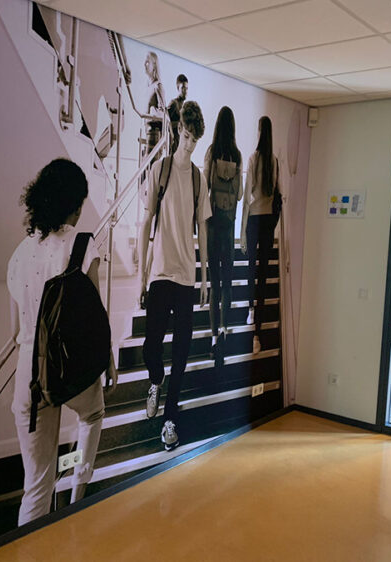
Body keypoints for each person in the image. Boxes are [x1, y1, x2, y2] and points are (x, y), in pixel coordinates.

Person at [7, 159, 117, 526]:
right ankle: (75, 499)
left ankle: (29, 545)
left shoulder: (18, 255)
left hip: (29, 374)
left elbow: (15, 331)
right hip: (71, 366)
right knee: (93, 414)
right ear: (73, 204)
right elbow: (97, 315)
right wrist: (107, 358)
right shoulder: (82, 245)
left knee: (36, 487)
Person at [138, 101, 210, 451]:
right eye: (187, 135)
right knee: (151, 346)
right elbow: (145, 223)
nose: (190, 144)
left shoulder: (198, 178)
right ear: (179, 130)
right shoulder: (161, 170)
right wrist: (141, 276)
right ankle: (156, 378)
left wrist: (204, 274)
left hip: (185, 276)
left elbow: (203, 229)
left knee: (181, 352)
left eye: (195, 139)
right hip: (160, 272)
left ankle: (170, 419)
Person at [203, 106, 242, 366]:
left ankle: (213, 337)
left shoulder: (212, 151)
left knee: (214, 284)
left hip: (213, 224)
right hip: (229, 225)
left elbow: (205, 185)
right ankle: (226, 331)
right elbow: (239, 195)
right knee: (227, 283)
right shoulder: (237, 155)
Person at [241, 116, 280, 355]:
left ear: (258, 132)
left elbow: (247, 197)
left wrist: (242, 230)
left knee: (250, 269)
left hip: (254, 219)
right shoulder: (273, 161)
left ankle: (250, 309)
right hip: (267, 222)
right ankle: (258, 334)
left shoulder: (253, 159)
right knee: (263, 274)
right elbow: (275, 191)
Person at [144, 51, 165, 161]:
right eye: (145, 62)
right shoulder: (149, 86)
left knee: (149, 166)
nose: (145, 64)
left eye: (148, 62)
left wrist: (152, 111)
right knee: (146, 165)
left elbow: (163, 113)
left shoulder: (158, 86)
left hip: (155, 133)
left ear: (154, 65)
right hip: (148, 132)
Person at [167, 74, 188, 154]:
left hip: (181, 146)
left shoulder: (185, 106)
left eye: (186, 88)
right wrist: (178, 124)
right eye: (183, 88)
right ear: (178, 88)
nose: (185, 91)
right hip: (173, 146)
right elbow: (165, 122)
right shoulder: (173, 103)